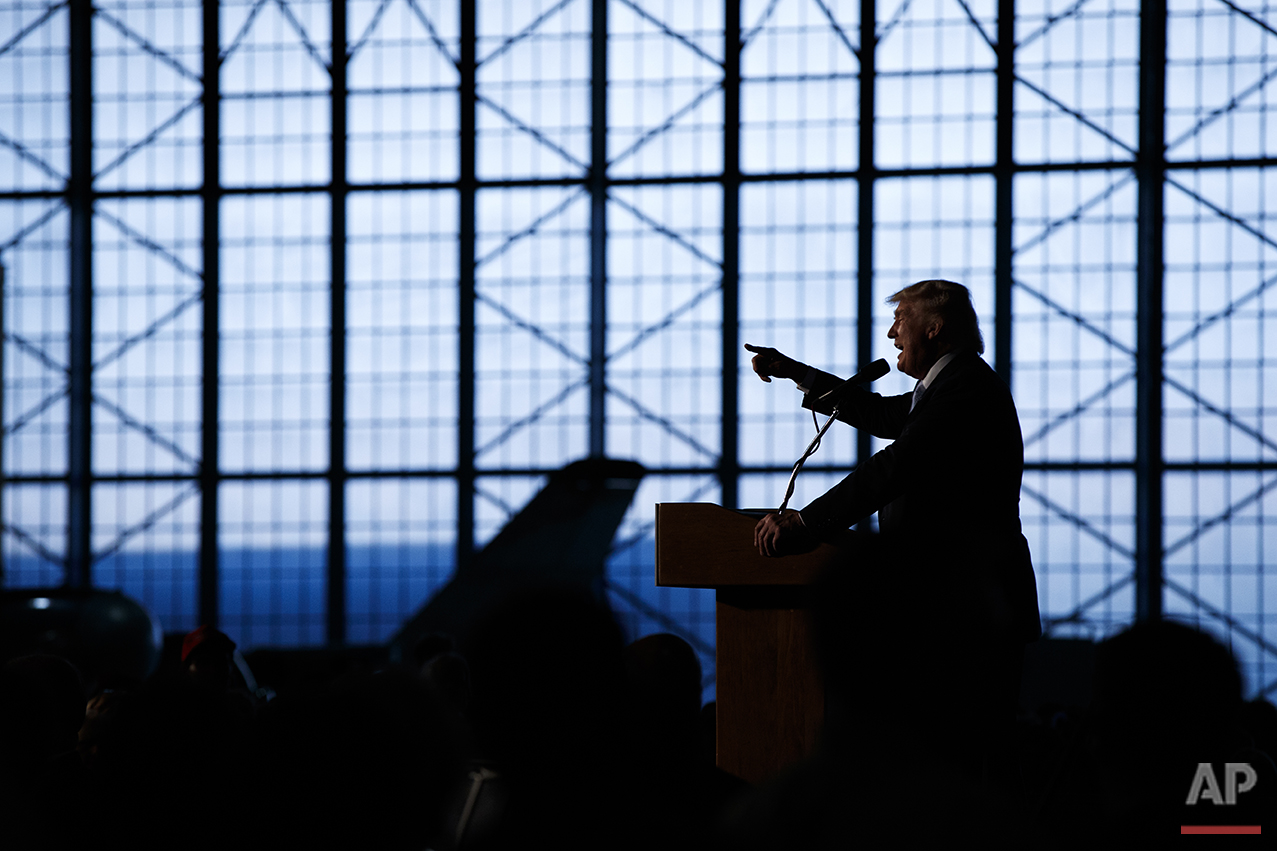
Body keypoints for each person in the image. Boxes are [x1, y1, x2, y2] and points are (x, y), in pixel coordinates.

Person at [744, 279, 1041, 786]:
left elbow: (895, 465)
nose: (890, 333)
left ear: (934, 327)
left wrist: (806, 523)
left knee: (966, 762)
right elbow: (881, 415)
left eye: (900, 319)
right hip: (960, 602)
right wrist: (795, 372)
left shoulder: (965, 388)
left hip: (968, 604)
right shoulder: (949, 386)